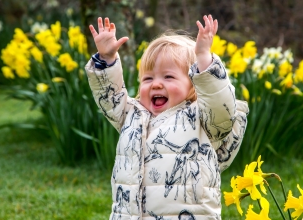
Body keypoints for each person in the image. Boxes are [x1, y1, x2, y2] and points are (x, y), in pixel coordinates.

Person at [85, 15, 249, 220]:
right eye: (148, 78)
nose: (155, 84)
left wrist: (204, 60)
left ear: (194, 85)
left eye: (168, 76)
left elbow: (221, 106)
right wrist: (106, 59)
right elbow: (110, 98)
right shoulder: (133, 116)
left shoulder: (202, 120)